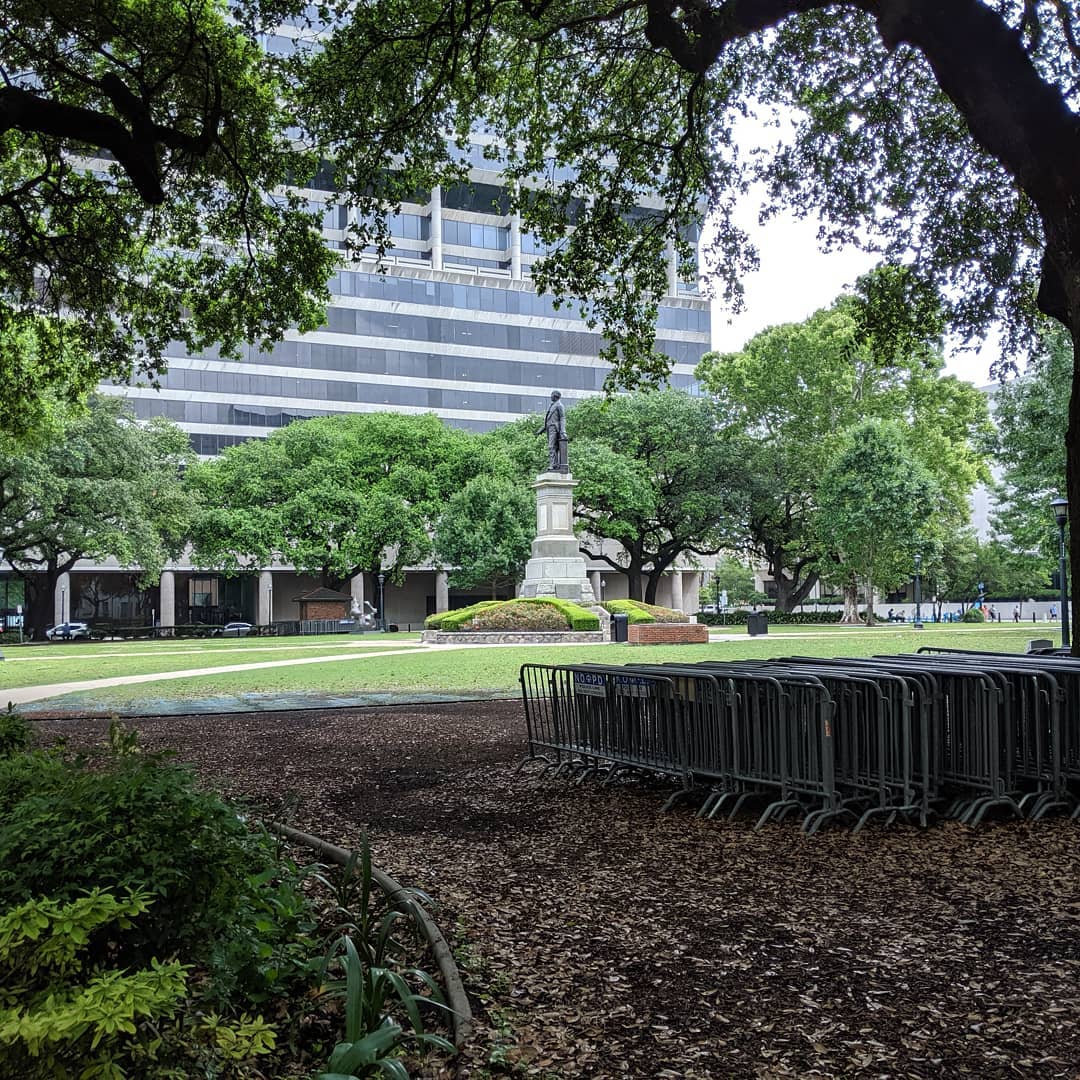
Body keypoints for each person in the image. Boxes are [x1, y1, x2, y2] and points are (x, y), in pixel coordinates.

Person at [539, 390, 567, 472]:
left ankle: (553, 465)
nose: (550, 396)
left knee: (552, 446)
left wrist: (563, 430)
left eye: (551, 395)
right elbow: (548, 419)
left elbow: (562, 418)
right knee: (552, 447)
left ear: (555, 396)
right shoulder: (552, 405)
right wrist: (542, 429)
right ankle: (554, 464)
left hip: (555, 428)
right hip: (549, 428)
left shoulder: (559, 405)